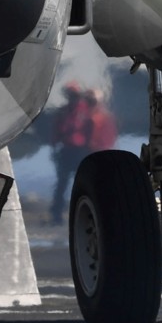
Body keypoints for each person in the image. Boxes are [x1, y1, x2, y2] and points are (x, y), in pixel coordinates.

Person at [50, 83, 95, 225]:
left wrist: (89, 148)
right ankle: (57, 214)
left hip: (79, 151)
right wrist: (55, 147)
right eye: (70, 96)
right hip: (66, 150)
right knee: (62, 183)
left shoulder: (84, 112)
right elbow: (57, 131)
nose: (71, 99)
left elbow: (90, 130)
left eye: (73, 96)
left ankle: (86, 213)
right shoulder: (64, 112)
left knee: (82, 183)